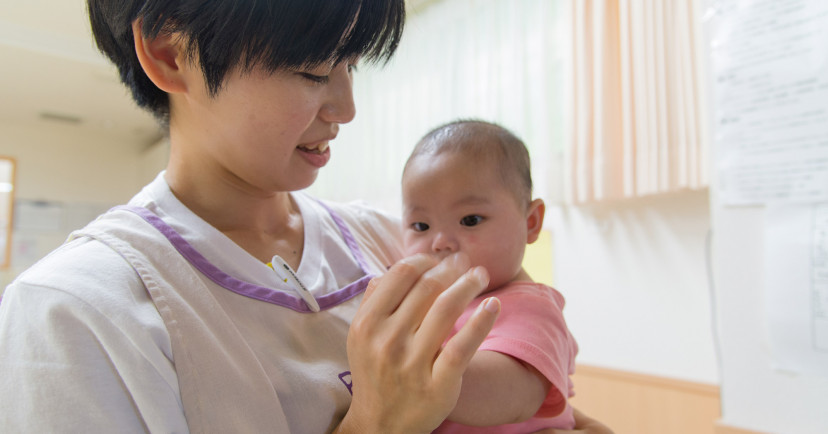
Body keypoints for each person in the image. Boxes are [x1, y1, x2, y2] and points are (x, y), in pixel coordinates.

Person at [0, 1, 611, 432]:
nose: (345, 106)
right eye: (313, 70)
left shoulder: (390, 238)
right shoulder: (74, 311)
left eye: (351, 67)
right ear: (170, 54)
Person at [401, 120, 579, 433]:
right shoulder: (434, 299)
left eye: (469, 220)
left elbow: (512, 394)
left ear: (532, 222)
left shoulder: (528, 308)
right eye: (421, 226)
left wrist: (405, 363)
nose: (440, 242)